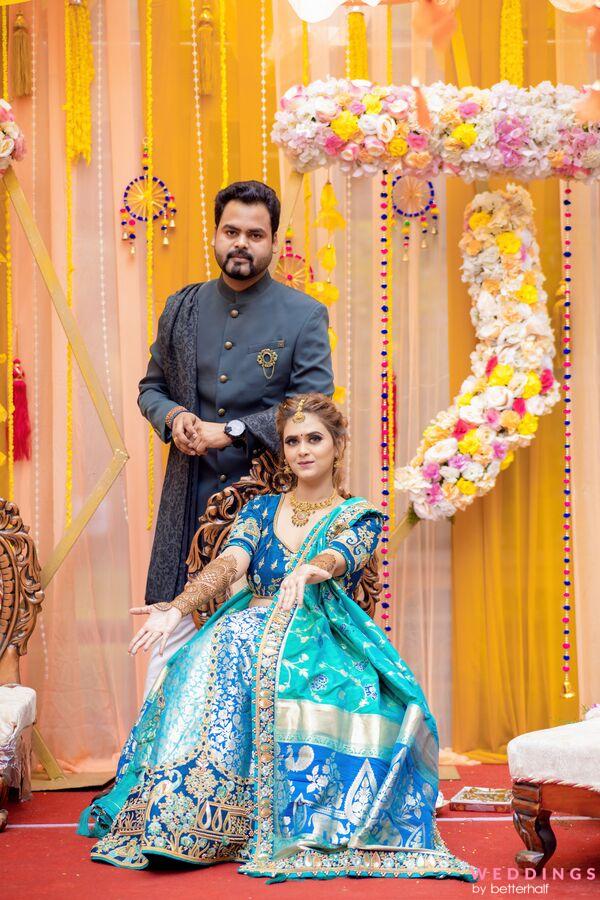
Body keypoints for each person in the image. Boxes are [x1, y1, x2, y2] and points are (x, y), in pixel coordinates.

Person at [79, 394, 475, 884]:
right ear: (283, 450)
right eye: (292, 441)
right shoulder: (261, 509)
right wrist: (178, 607)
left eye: (314, 439)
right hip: (250, 626)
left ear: (337, 446)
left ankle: (272, 817)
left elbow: (341, 555)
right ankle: (197, 818)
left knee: (253, 646)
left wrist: (314, 569)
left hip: (323, 638)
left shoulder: (359, 515)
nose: (303, 450)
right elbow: (230, 566)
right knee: (218, 645)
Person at [138, 180, 333, 690]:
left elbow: (314, 405)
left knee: (259, 648)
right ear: (216, 235)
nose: (241, 243)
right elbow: (151, 388)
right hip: (189, 496)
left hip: (270, 502)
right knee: (172, 638)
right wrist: (174, 417)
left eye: (255, 234)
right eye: (231, 231)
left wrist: (234, 431)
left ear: (273, 241)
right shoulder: (182, 307)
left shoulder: (303, 315)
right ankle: (158, 762)